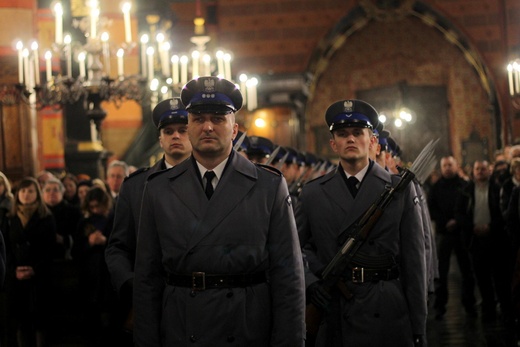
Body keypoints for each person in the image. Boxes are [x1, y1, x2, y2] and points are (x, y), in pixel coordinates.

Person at [134, 76, 305, 346]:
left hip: (246, 327)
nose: (208, 127)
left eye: (218, 118)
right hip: (182, 326)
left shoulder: (268, 186)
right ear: (189, 127)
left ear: (234, 129)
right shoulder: (159, 189)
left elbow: (288, 278)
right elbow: (147, 279)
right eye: (199, 119)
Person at [296, 99, 427, 346]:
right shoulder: (313, 193)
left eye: (358, 133)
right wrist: (312, 283)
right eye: (343, 134)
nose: (351, 139)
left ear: (371, 141)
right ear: (333, 144)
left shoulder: (398, 190)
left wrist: (419, 326)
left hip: (385, 308)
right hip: (334, 305)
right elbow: (296, 249)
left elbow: (414, 262)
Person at [105, 97, 192, 339]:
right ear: (160, 139)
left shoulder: (206, 182)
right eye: (168, 131)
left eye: (183, 130)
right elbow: (118, 247)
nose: (176, 136)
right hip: (150, 298)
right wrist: (130, 282)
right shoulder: (136, 186)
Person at [455, 160, 513, 325]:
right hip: (475, 240)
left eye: (483, 169)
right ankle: (488, 310)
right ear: (473, 171)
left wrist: (490, 226)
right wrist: (472, 227)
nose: (480, 171)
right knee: (482, 277)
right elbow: (459, 213)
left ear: (489, 171)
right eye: (477, 169)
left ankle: (506, 311)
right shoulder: (465, 191)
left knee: (500, 277)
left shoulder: (497, 189)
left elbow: (504, 213)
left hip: (496, 239)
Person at [1, 177, 56, 347]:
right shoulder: (10, 218)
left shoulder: (46, 218)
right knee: (20, 321)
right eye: (23, 191)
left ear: (37, 194)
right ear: (17, 194)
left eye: (30, 191)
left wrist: (35, 269)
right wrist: (13, 270)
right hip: (16, 278)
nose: (26, 194)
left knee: (39, 321)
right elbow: (5, 248)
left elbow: (49, 249)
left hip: (38, 277)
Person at [428, 156, 476, 319]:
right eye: (445, 165)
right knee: (441, 272)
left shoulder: (465, 186)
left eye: (450, 165)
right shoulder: (436, 187)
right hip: (444, 233)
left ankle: (469, 304)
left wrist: (458, 221)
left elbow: (470, 208)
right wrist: (444, 221)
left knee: (467, 270)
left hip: (461, 232)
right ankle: (440, 306)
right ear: (441, 168)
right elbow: (431, 208)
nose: (447, 168)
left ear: (456, 166)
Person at [72, 186, 115, 346]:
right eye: (92, 207)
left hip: (108, 276)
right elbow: (76, 250)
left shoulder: (115, 219)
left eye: (99, 206)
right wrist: (89, 243)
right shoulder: (84, 223)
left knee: (109, 318)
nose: (96, 210)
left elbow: (125, 246)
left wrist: (105, 242)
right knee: (92, 319)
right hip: (89, 276)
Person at [42, 177, 82, 260]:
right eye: (48, 190)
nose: (51, 193)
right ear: (42, 194)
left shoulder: (73, 212)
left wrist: (65, 240)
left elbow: (80, 236)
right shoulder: (38, 213)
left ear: (62, 192)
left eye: (55, 190)